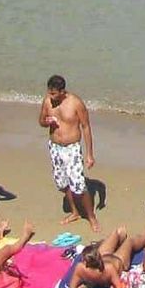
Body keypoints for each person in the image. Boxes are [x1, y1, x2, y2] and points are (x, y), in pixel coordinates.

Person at [38, 74, 99, 231]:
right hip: (55, 146)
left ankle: (91, 217)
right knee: (62, 184)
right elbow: (41, 121)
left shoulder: (76, 103)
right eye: (49, 93)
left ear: (62, 91)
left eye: (54, 94)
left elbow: (86, 127)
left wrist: (89, 154)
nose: (51, 97)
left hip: (71, 148)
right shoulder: (47, 101)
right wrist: (46, 122)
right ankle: (74, 212)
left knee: (79, 185)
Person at [68, 225, 145, 288]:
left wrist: (85, 286)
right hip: (119, 260)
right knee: (129, 241)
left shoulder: (80, 268)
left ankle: (121, 238)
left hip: (106, 257)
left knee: (116, 233)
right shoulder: (109, 268)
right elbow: (119, 287)